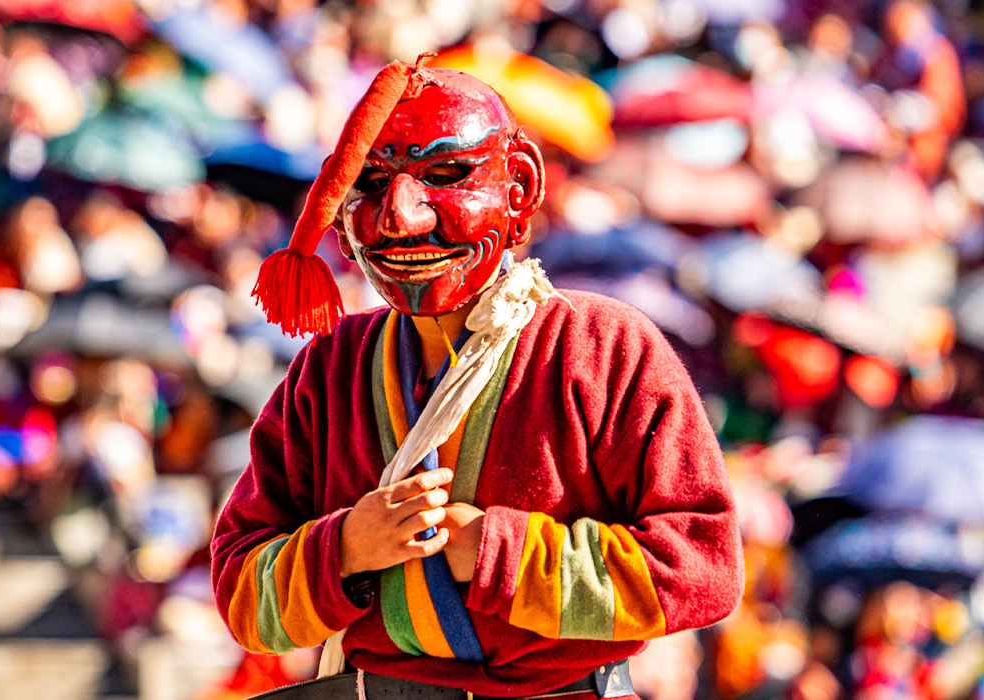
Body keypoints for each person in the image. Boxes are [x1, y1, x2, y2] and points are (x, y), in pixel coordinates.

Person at [210, 60, 743, 699]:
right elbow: (240, 597)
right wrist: (347, 547)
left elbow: (703, 567)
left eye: (445, 176)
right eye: (372, 184)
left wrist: (499, 553)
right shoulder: (331, 367)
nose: (401, 218)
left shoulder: (602, 345)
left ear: (519, 188)